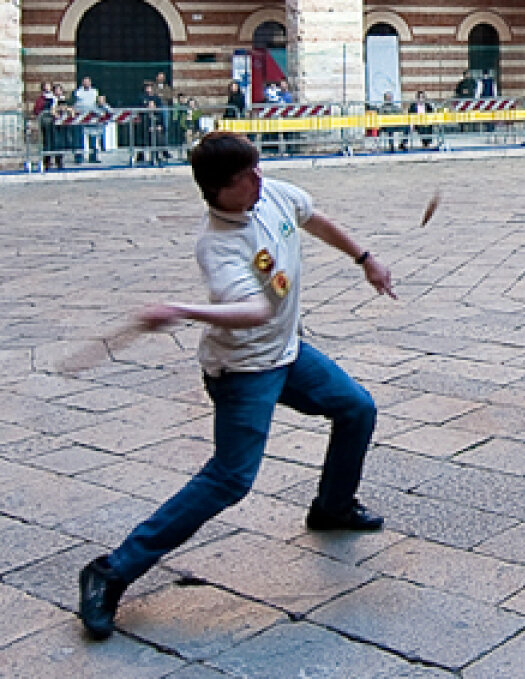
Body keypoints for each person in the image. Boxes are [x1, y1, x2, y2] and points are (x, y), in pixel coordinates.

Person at [77, 131, 397, 641]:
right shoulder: (219, 245)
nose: (259, 179)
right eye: (246, 177)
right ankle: (111, 571)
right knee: (230, 479)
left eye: (257, 169)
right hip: (245, 370)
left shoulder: (270, 192)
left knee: (356, 408)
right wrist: (184, 310)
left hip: (289, 352)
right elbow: (254, 311)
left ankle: (332, 507)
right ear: (218, 190)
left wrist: (364, 259)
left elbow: (310, 218)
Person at [74, 76, 103, 163]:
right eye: (84, 82)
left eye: (88, 82)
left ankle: (93, 156)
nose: (86, 83)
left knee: (93, 137)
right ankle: (79, 157)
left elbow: (99, 102)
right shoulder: (77, 92)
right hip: (80, 118)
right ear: (82, 83)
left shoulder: (95, 91)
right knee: (79, 138)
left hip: (92, 117)